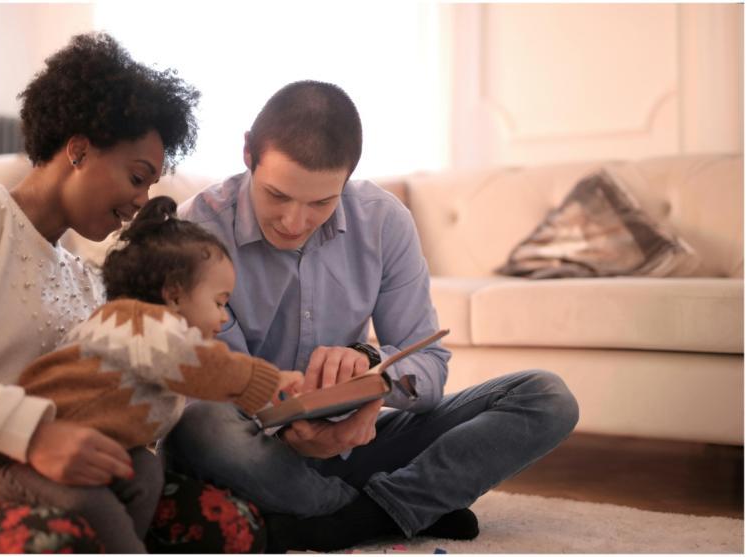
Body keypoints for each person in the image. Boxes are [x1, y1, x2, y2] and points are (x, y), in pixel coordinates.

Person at [159, 80, 580, 552]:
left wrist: (373, 378)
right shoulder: (193, 232)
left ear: (348, 178)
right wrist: (288, 430)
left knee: (545, 398)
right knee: (197, 428)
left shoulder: (384, 221)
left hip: (356, 441)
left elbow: (430, 369)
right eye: (277, 195)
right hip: (253, 449)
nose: (294, 222)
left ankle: (354, 518)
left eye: (321, 202)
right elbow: (209, 383)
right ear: (247, 154)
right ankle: (398, 507)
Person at [0, 32, 266, 554]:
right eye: (137, 177)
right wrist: (33, 433)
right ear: (78, 149)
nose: (142, 201)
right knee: (63, 540)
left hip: (55, 479)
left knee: (229, 525)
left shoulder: (85, 277)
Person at [0, 195, 304, 553]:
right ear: (174, 296)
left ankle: (127, 541)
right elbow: (204, 365)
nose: (224, 317)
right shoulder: (139, 325)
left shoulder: (147, 342)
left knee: (144, 469)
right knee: (93, 507)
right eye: (220, 303)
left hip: (81, 458)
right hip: (9, 463)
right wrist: (267, 381)